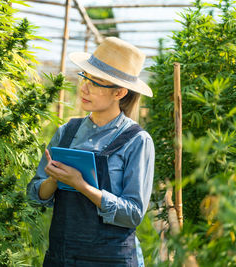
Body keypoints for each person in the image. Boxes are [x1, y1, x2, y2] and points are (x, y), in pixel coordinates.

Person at [27, 37, 155, 267]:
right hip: (62, 256)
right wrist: (54, 180)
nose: (84, 87)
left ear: (120, 93)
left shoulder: (136, 141)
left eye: (96, 83)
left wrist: (81, 185)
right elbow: (35, 195)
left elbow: (134, 213)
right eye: (85, 77)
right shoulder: (66, 132)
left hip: (111, 260)